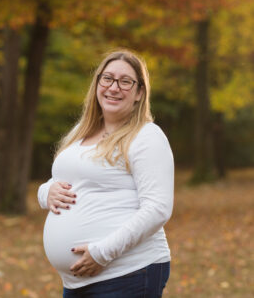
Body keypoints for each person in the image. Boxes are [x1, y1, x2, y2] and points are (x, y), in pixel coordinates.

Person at [37, 49, 174, 298]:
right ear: (97, 83)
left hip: (128, 273)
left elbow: (158, 208)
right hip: (76, 282)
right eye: (107, 78)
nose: (114, 87)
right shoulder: (81, 131)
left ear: (139, 92)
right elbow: (69, 179)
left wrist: (102, 253)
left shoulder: (147, 136)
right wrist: (45, 192)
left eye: (125, 82)